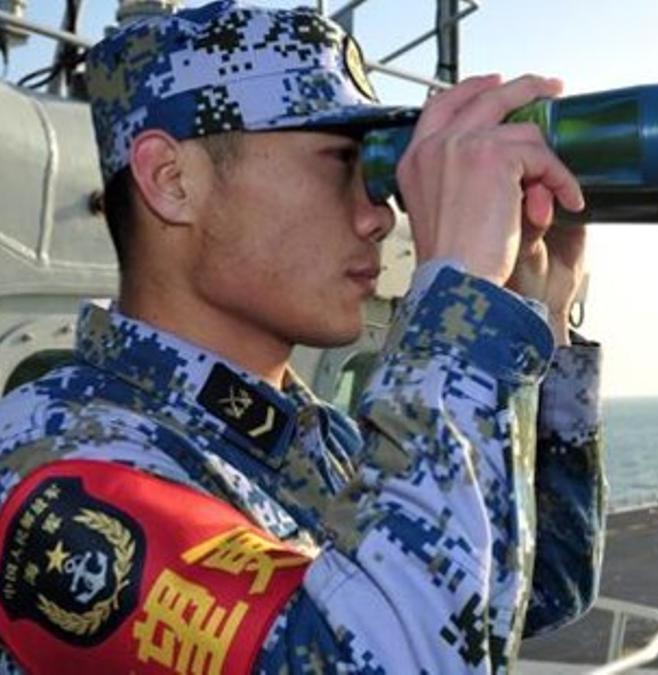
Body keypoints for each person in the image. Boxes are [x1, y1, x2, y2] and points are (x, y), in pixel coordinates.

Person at [0, 1, 605, 673]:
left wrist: (534, 312)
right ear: (172, 182)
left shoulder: (314, 438)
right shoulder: (63, 470)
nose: (379, 214)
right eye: (340, 160)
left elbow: (538, 588)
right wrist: (458, 305)